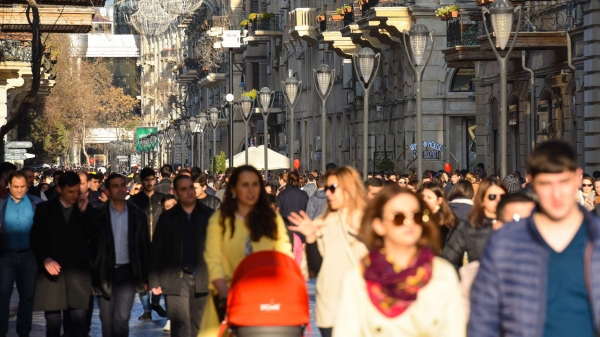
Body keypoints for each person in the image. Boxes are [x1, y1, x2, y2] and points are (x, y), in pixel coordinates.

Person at [469, 140, 600, 336]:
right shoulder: (505, 243)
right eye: (546, 184)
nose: (556, 194)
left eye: (563, 182)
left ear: (577, 178)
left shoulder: (595, 238)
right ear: (531, 183)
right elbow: (484, 321)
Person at [334, 185, 465, 336]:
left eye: (416, 216)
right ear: (379, 225)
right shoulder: (358, 278)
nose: (409, 223)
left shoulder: (442, 274)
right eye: (398, 218)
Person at [200, 166, 292, 337]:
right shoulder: (219, 221)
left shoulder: (272, 220)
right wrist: (227, 295)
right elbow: (213, 262)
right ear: (234, 188)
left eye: (255, 184)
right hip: (227, 300)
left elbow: (285, 257)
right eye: (245, 185)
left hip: (265, 300)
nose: (250, 190)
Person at [288, 166, 368, 337]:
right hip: (330, 307)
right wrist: (310, 239)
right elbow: (315, 269)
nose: (328, 193)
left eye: (333, 188)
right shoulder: (321, 224)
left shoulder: (369, 222)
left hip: (364, 306)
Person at [149, 175, 214, 337]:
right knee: (180, 327)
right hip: (174, 279)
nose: (189, 192)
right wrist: (155, 280)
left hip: (203, 279)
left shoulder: (209, 216)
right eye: (183, 189)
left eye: (191, 188)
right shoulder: (166, 219)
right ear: (176, 193)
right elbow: (157, 251)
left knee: (201, 326)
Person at [30, 172, 93, 337]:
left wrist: (85, 213)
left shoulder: (86, 208)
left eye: (76, 191)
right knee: (53, 322)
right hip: (51, 275)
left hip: (78, 274)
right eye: (70, 192)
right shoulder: (45, 209)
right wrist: (45, 258)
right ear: (59, 188)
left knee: (79, 320)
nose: (74, 196)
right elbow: (36, 239)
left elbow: (96, 238)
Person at [89, 173, 150, 337]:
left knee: (122, 318)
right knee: (107, 320)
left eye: (123, 185)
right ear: (107, 190)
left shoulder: (138, 215)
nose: (120, 189)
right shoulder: (97, 216)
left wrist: (146, 277)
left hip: (127, 273)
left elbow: (144, 248)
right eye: (115, 186)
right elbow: (90, 247)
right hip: (104, 272)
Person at [0, 171, 44, 337]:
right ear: (9, 186)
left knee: (27, 296)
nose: (19, 190)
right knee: (3, 294)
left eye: (23, 187)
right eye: (16, 187)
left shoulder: (37, 204)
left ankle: (24, 331)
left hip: (29, 256)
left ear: (27, 186)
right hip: (6, 257)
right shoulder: (1, 204)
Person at [441, 177, 507, 270]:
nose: (498, 200)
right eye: (492, 197)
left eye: (503, 197)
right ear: (482, 199)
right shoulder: (469, 227)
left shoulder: (514, 226)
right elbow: (447, 260)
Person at [129, 168, 166, 321]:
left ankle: (156, 303)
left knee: (159, 278)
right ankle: (146, 309)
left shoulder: (163, 199)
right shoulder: (134, 201)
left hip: (160, 244)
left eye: (152, 179)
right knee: (142, 280)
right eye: (146, 180)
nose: (150, 183)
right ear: (142, 181)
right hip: (140, 245)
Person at [420, 182, 459, 247]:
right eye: (422, 196)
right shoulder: (420, 217)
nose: (424, 200)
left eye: (429, 197)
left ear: (439, 200)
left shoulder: (447, 221)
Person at [277, 171, 309, 242]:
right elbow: (308, 211)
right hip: (300, 228)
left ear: (288, 180)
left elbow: (278, 212)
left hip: (286, 229)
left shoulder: (282, 194)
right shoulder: (303, 195)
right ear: (298, 180)